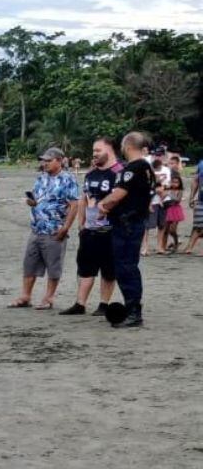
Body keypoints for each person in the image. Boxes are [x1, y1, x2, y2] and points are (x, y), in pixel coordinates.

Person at [9, 147, 80, 310]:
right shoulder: (41, 178)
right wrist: (31, 202)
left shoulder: (68, 179)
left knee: (53, 265)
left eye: (48, 160)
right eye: (44, 161)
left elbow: (74, 205)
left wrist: (66, 228)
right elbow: (36, 198)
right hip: (36, 228)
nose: (45, 163)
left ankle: (48, 298)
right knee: (30, 263)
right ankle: (25, 296)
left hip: (54, 229)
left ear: (59, 161)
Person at [98, 132, 155, 328]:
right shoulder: (146, 168)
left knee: (126, 268)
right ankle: (132, 308)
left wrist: (103, 205)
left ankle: (133, 311)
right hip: (132, 222)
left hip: (127, 224)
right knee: (127, 266)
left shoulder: (134, 167)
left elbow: (118, 194)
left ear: (127, 146)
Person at [60, 140, 120, 316]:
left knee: (109, 270)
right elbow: (83, 199)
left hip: (110, 230)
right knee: (85, 268)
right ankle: (80, 303)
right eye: (93, 150)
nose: (94, 153)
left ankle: (104, 304)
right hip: (89, 230)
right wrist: (81, 224)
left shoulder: (119, 173)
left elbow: (120, 199)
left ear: (109, 150)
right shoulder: (91, 174)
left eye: (98, 150)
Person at [145, 158, 171, 255]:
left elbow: (167, 186)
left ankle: (159, 247)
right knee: (147, 226)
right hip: (152, 202)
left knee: (162, 225)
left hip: (164, 201)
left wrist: (163, 194)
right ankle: (145, 247)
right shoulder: (148, 173)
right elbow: (149, 190)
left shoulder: (166, 170)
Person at [184, 159, 203, 255]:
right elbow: (195, 180)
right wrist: (192, 197)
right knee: (198, 224)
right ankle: (189, 247)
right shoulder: (201, 163)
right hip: (201, 199)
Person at [164, 173, 186, 252]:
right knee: (165, 230)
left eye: (176, 182)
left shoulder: (179, 190)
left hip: (175, 210)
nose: (174, 184)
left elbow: (178, 200)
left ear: (180, 183)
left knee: (172, 230)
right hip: (167, 209)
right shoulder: (167, 189)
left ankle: (176, 242)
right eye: (173, 182)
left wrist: (171, 194)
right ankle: (163, 246)